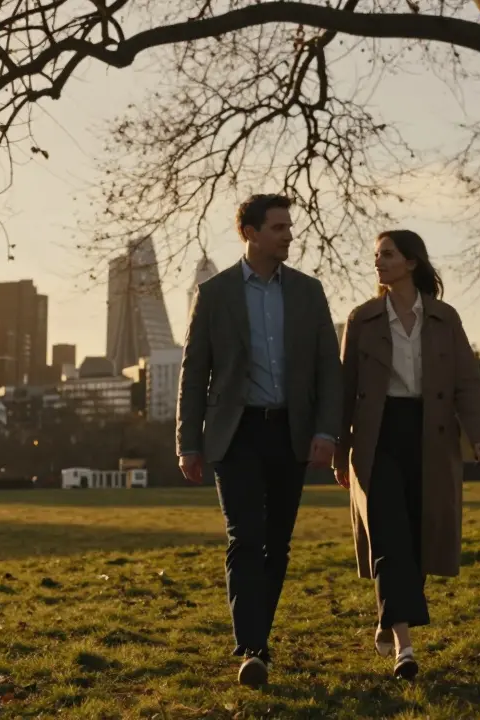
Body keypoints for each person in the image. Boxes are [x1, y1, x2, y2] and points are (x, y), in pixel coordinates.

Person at [176, 193, 343, 688]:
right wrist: (188, 441)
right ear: (249, 232)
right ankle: (252, 647)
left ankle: (258, 642)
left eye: (290, 227)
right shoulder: (216, 293)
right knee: (245, 539)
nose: (288, 235)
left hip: (291, 432)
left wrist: (326, 431)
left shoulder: (309, 293)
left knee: (277, 544)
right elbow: (194, 373)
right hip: (236, 433)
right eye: (277, 227)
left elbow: (328, 371)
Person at [333, 229, 480, 680]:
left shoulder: (444, 317)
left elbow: (468, 382)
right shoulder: (361, 319)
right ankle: (405, 646)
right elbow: (344, 392)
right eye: (376, 255)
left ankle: (389, 613)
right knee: (388, 535)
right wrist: (339, 451)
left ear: (412, 262)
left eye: (387, 254)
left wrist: (479, 434)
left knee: (419, 538)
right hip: (375, 438)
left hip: (431, 435)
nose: (378, 262)